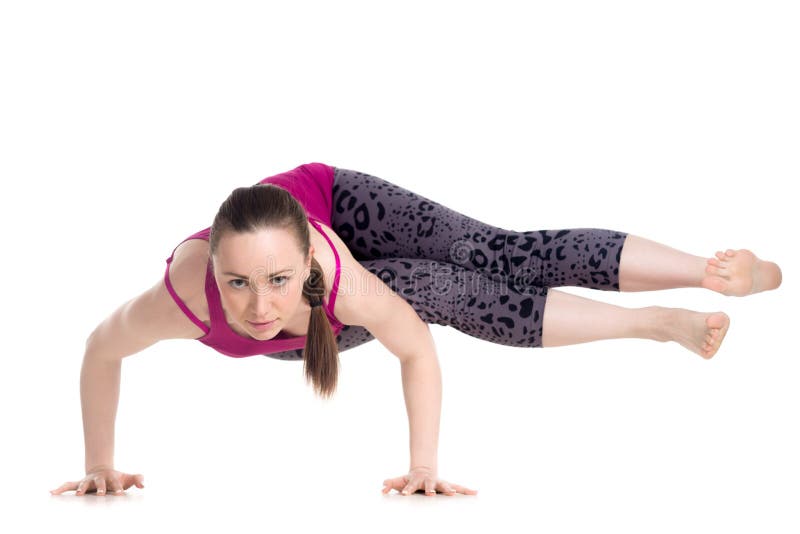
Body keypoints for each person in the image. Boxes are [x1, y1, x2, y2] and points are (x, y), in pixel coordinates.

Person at [50, 162, 783, 498]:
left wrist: (422, 464)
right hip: (328, 308)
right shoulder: (185, 293)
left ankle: (711, 272)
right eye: (238, 283)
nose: (259, 306)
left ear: (307, 258)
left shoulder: (339, 274)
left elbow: (413, 346)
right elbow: (99, 350)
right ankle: (656, 324)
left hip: (346, 205)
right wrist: (100, 462)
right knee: (444, 290)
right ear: (217, 275)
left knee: (497, 260)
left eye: (277, 281)